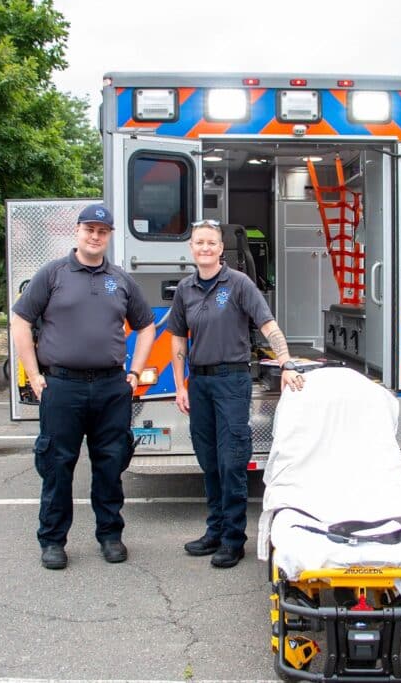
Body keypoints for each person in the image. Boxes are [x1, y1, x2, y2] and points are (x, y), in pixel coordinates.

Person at [10, 204, 156, 570]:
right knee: (57, 465)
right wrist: (34, 374)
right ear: (77, 231)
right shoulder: (53, 274)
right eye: (89, 229)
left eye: (102, 231)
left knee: (110, 464)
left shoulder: (120, 280)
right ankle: (52, 541)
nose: (95, 236)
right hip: (62, 387)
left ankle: (110, 536)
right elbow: (20, 320)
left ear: (109, 236)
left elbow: (147, 325)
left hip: (111, 387)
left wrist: (135, 372)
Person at [168, 219, 304, 569]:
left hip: (231, 380)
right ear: (191, 248)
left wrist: (286, 362)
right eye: (199, 242)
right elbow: (178, 339)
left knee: (231, 461)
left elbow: (268, 325)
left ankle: (233, 539)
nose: (205, 248)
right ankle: (214, 531)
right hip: (199, 383)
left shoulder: (239, 283)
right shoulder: (185, 289)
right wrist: (180, 385)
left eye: (211, 243)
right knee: (209, 460)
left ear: (220, 248)